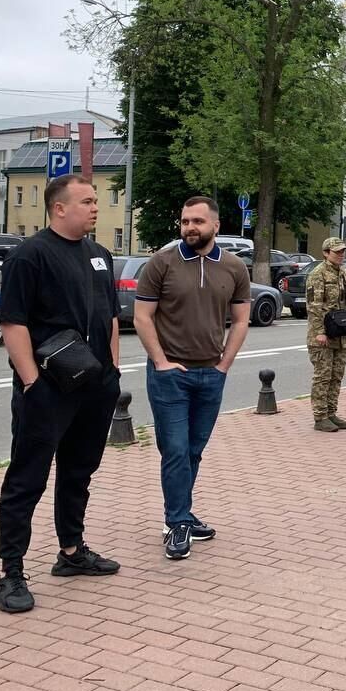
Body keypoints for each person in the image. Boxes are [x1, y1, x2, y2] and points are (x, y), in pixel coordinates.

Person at [0, 174, 122, 613]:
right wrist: (31, 383)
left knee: (78, 471)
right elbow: (13, 323)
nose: (95, 207)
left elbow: (109, 320)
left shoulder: (100, 255)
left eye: (95, 201)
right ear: (59, 208)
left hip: (96, 387)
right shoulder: (28, 257)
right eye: (86, 201)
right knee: (27, 478)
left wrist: (113, 371)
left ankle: (71, 552)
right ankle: (10, 572)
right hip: (47, 388)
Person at [134, 196, 251, 561]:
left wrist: (223, 366)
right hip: (170, 376)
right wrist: (161, 361)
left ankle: (182, 512)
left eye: (197, 221)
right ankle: (176, 523)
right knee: (176, 451)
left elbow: (242, 320)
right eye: (185, 221)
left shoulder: (234, 268)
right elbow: (142, 317)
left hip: (210, 374)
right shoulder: (162, 263)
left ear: (215, 226)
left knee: (194, 451)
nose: (189, 228)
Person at [305, 237, 346, 433]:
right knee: (323, 376)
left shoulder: (345, 273)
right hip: (323, 337)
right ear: (326, 253)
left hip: (341, 335)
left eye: (343, 251)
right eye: (337, 252)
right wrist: (319, 332)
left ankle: (331, 413)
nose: (341, 254)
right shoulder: (317, 275)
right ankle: (320, 417)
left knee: (336, 376)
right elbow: (314, 307)